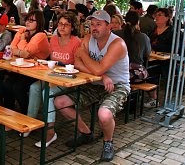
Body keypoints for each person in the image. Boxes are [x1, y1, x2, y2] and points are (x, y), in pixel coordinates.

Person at [54, 10, 130, 162]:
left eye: (99, 24)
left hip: (118, 85)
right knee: (60, 102)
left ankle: (108, 143)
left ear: (109, 27)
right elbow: (77, 64)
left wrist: (84, 56)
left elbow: (97, 67)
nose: (94, 27)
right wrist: (101, 75)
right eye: (92, 24)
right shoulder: (89, 38)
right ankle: (86, 133)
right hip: (96, 83)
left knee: (104, 114)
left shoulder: (117, 44)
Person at [27, 11, 81, 147]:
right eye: (60, 24)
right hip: (52, 75)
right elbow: (50, 60)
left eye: (66, 25)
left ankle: (50, 131)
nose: (62, 27)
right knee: (34, 87)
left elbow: (78, 66)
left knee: (48, 92)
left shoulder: (76, 42)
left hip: (69, 79)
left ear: (72, 27)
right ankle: (30, 122)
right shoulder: (54, 39)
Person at [3, 11, 50, 114]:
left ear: (39, 22)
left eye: (32, 20)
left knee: (17, 88)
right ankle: (8, 113)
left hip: (38, 71)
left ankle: (26, 115)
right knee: (7, 84)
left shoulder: (41, 35)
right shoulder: (22, 30)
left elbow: (26, 52)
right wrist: (20, 52)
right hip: (23, 67)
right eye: (27, 20)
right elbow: (11, 48)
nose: (28, 22)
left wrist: (22, 40)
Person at [114, 11, 151, 83]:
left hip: (117, 72)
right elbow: (147, 54)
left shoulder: (115, 34)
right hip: (136, 74)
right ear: (138, 22)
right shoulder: (143, 37)